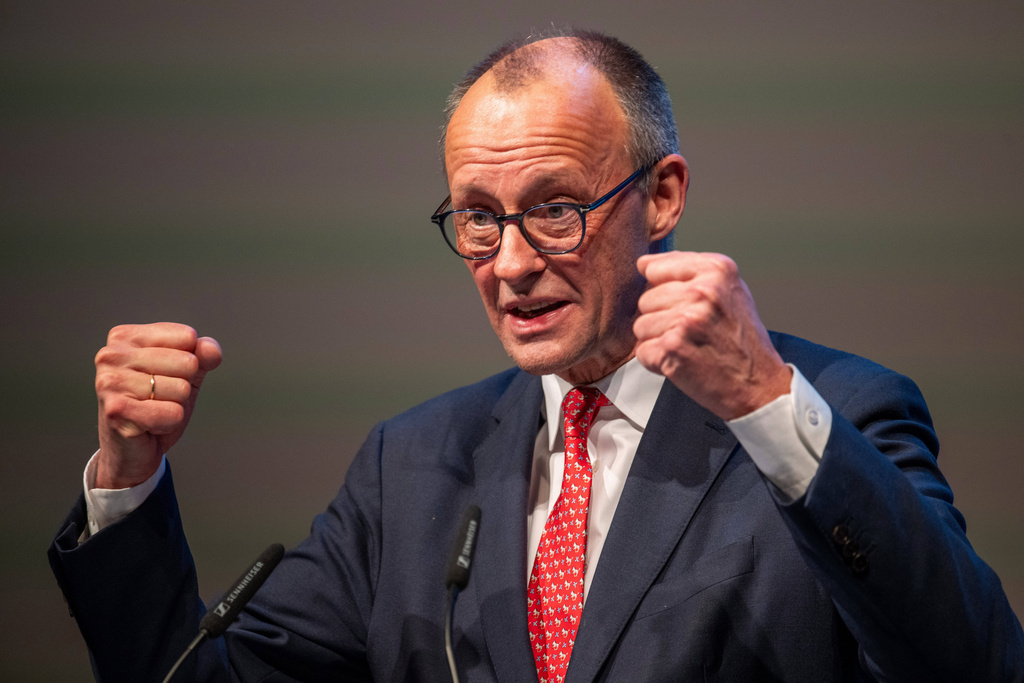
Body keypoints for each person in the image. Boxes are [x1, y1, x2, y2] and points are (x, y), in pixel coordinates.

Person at [49, 29, 1023, 682]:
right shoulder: (413, 463)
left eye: (555, 207)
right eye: (476, 218)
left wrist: (767, 401)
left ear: (665, 194)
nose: (509, 264)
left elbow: (970, 659)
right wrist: (127, 483)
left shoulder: (836, 410)